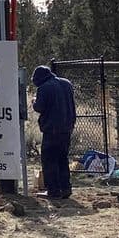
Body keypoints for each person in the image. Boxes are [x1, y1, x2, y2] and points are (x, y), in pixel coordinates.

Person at [31, 65, 76, 199]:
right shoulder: (66, 83)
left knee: (49, 160)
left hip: (51, 129)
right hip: (67, 128)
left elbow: (39, 107)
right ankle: (66, 188)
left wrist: (34, 101)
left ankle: (53, 191)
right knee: (62, 159)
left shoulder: (44, 88)